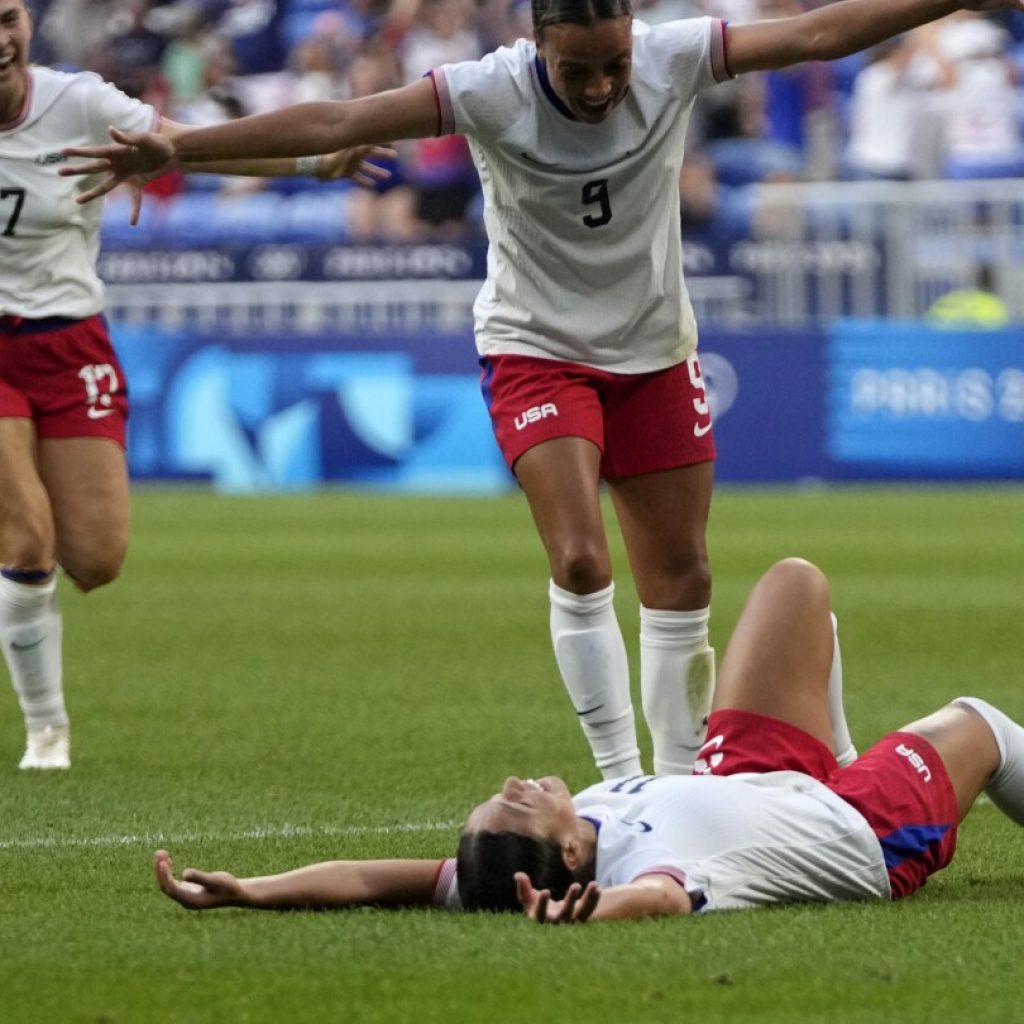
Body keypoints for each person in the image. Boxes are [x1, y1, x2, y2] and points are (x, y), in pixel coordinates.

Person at [63, 0, 1020, 782]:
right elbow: (339, 122)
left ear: (632, 37)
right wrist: (179, 148)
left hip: (654, 351)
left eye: (612, 65)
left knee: (682, 579)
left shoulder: (676, 57)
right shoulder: (486, 90)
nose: (601, 86)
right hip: (536, 349)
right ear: (538, 46)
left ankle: (685, 787)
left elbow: (814, 35)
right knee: (577, 560)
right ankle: (620, 782)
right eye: (577, 70)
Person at [153, 556, 1024, 922]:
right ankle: (861, 779)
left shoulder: (520, 859)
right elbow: (659, 901)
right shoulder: (650, 863)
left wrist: (259, 890)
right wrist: (591, 915)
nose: (517, 782)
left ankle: (834, 760)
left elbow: (382, 878)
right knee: (978, 722)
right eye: (521, 804)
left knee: (796, 587)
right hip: (853, 833)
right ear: (569, 858)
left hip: (756, 779)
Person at [0, 0, 392, 769]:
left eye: (9, 16)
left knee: (97, 557)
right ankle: (47, 732)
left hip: (70, 342)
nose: (0, 35)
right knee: (26, 535)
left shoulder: (76, 101)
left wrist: (314, 164)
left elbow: (180, 146)